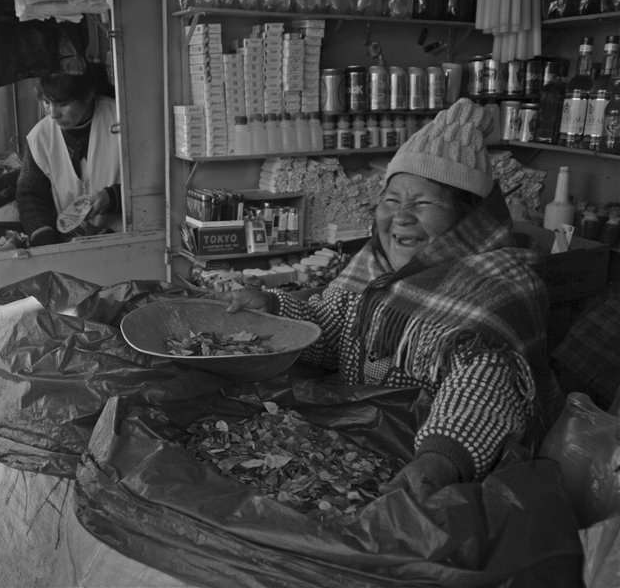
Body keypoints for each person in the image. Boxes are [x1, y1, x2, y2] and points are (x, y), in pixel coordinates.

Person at [217, 99, 564, 502]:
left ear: (468, 218)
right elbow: (330, 331)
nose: (401, 217)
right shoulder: (375, 266)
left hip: (442, 476)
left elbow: (483, 387)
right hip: (365, 439)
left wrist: (439, 461)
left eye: (424, 203)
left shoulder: (498, 286)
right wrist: (274, 309)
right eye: (392, 200)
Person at [16, 62, 122, 246]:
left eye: (63, 104)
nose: (53, 114)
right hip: (71, 243)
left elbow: (152, 178)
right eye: (47, 103)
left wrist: (114, 197)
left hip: (127, 237)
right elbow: (31, 195)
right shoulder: (40, 137)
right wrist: (44, 236)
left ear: (87, 95)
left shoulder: (123, 119)